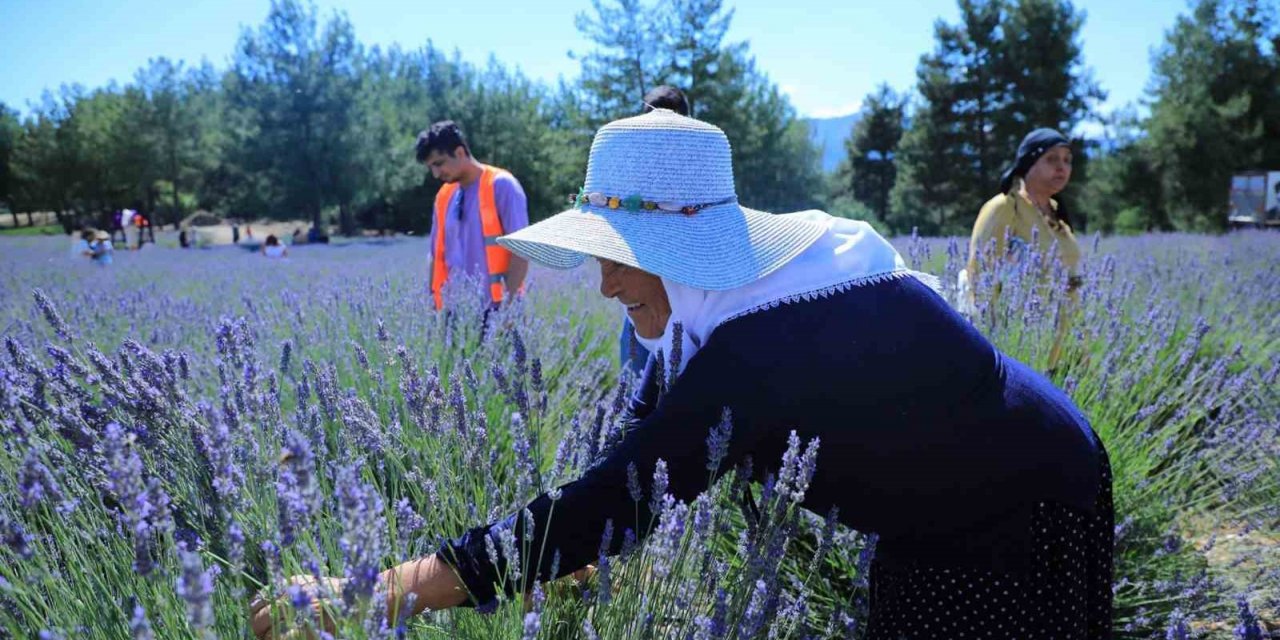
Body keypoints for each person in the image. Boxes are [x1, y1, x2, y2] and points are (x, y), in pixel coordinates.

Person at [252, 111, 1114, 639]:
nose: (606, 282)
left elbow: (614, 500)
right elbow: (624, 467)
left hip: (1025, 508)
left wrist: (376, 595)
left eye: (623, 257)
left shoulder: (766, 340)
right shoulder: (748, 300)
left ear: (682, 252)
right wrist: (557, 558)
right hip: (946, 513)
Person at [965, 128, 1081, 369]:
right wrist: (998, 345)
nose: (1062, 167)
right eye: (1052, 159)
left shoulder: (1057, 214)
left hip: (1065, 343)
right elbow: (981, 278)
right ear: (1029, 162)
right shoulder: (1004, 208)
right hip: (1021, 345)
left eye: (1067, 160)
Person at [617, 85, 691, 378]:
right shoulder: (632, 173)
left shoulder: (698, 173)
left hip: (684, 303)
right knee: (635, 389)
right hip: (638, 302)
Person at [416, 120, 529, 312]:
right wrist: (433, 305)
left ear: (460, 153)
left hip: (497, 308)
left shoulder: (502, 185)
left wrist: (507, 311)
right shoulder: (444, 197)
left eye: (439, 164)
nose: (436, 174)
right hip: (455, 312)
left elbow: (522, 251)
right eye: (431, 167)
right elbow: (436, 256)